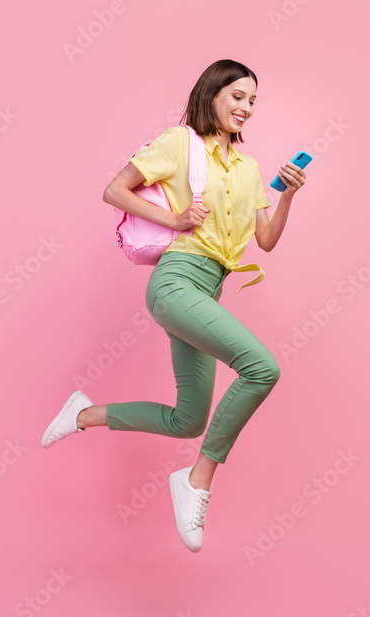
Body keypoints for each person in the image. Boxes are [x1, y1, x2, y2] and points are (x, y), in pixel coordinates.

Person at [41, 59, 306, 552]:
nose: (246, 108)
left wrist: (287, 195)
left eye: (253, 101)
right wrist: (176, 216)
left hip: (208, 291)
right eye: (238, 96)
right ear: (212, 94)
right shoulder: (180, 144)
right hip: (178, 281)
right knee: (261, 368)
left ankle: (83, 414)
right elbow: (114, 190)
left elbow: (265, 239)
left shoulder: (249, 170)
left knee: (188, 419)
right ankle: (197, 479)